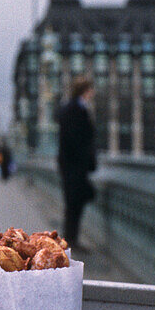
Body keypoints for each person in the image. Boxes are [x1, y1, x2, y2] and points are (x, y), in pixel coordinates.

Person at [57, 77, 98, 249]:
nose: (93, 93)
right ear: (85, 90)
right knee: (74, 204)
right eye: (90, 89)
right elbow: (76, 139)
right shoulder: (76, 109)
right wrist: (86, 160)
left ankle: (69, 240)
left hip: (71, 165)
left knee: (73, 203)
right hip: (75, 166)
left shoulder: (70, 108)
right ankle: (70, 241)